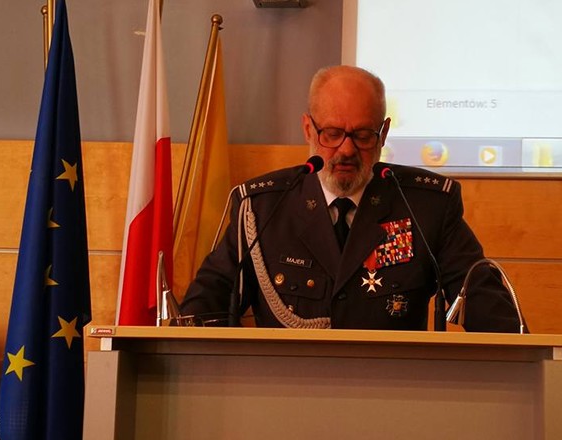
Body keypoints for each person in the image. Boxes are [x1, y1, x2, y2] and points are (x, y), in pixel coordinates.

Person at [180, 65, 522, 332]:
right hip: (288, 392)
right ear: (308, 129)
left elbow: (490, 311)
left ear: (383, 133)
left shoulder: (426, 206)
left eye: (362, 135)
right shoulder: (262, 208)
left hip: (395, 392)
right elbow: (203, 312)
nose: (346, 150)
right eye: (332, 134)